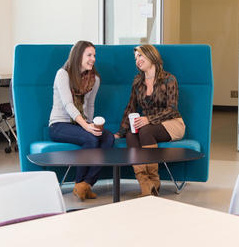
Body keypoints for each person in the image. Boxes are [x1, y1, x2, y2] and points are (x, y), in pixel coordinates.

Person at [48, 41, 114, 201]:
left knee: (108, 138)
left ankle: (86, 184)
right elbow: (68, 104)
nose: (93, 59)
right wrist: (87, 127)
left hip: (80, 123)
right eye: (89, 55)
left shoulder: (94, 79)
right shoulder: (63, 74)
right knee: (91, 138)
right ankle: (79, 183)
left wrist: (91, 125)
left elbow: (90, 105)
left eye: (94, 56)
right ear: (78, 56)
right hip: (59, 124)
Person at [117, 44, 185, 196]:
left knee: (146, 130)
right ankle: (145, 184)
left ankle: (154, 180)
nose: (137, 60)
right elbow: (131, 108)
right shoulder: (137, 81)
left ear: (151, 56)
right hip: (147, 126)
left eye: (140, 56)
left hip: (172, 123)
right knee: (130, 134)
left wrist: (149, 119)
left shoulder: (169, 79)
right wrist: (121, 132)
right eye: (135, 58)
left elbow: (172, 109)